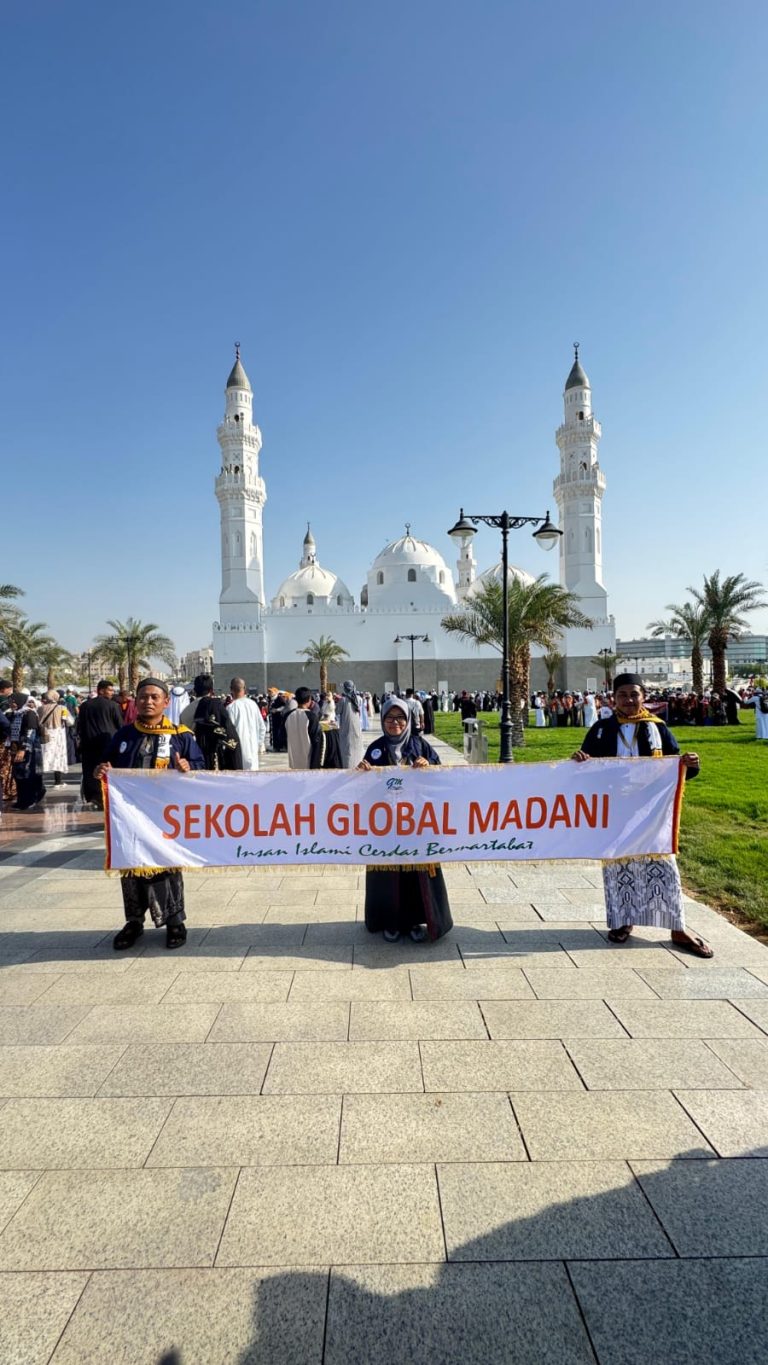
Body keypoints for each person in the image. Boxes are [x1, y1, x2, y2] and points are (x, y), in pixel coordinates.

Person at [572, 673, 712, 958]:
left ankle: (677, 928)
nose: (628, 700)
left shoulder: (657, 728)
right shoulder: (601, 729)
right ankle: (623, 921)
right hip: (615, 810)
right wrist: (579, 760)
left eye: (634, 694)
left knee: (662, 866)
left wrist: (690, 764)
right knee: (619, 866)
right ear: (613, 698)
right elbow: (583, 769)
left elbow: (676, 765)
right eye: (622, 695)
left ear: (643, 696)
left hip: (653, 812)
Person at [94, 677, 205, 951]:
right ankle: (134, 921)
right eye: (143, 697)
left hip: (165, 818)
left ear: (166, 702)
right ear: (136, 700)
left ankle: (175, 921)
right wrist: (100, 773)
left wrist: (187, 766)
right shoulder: (124, 736)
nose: (149, 701)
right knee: (131, 867)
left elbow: (201, 767)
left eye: (155, 697)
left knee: (166, 867)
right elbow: (107, 766)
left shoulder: (181, 735)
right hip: (130, 819)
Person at [357, 696, 453, 944]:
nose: (395, 723)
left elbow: (441, 777)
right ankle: (391, 922)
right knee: (389, 877)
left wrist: (429, 764)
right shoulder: (376, 748)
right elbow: (363, 788)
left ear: (408, 720)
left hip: (417, 827)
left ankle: (415, 922)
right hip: (386, 828)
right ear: (383, 720)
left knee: (415, 877)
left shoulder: (420, 746)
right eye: (389, 718)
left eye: (400, 718)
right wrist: (362, 773)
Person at [76, 679, 123, 808]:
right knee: (106, 770)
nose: (112, 693)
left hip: (89, 743)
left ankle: (93, 797)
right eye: (110, 690)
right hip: (107, 743)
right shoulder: (113, 706)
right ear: (101, 690)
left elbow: (79, 725)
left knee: (90, 770)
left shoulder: (85, 705)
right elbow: (120, 725)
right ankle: (106, 796)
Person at [190, 673, 242, 770]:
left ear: (195, 691)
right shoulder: (217, 707)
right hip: (216, 760)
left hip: (196, 761)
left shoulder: (187, 710)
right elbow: (231, 739)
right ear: (211, 690)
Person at [6, 693, 46, 809]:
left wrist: (23, 749)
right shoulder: (16, 714)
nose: (11, 704)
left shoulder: (29, 714)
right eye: (10, 702)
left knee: (27, 774)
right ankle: (22, 799)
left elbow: (30, 732)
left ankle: (29, 800)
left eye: (13, 701)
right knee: (19, 775)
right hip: (17, 749)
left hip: (29, 750)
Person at [227, 676, 267, 769]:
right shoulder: (253, 705)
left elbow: (229, 733)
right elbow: (262, 727)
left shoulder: (231, 708)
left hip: (238, 752)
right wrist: (258, 744)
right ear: (244, 688)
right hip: (253, 750)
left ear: (231, 689)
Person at [38, 688, 74, 786]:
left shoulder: (40, 708)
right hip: (58, 734)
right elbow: (70, 722)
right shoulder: (62, 708)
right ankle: (58, 781)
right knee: (58, 756)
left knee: (44, 756)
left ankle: (40, 781)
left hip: (44, 734)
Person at [285, 686, 325, 769]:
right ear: (309, 700)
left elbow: (282, 736)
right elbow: (316, 740)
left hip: (293, 761)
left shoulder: (288, 716)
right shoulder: (311, 717)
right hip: (308, 760)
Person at [337, 679, 364, 769]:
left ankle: (348, 767)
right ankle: (358, 765)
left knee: (347, 749)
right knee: (357, 746)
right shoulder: (359, 699)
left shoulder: (343, 700)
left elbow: (337, 711)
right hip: (356, 727)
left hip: (346, 727)